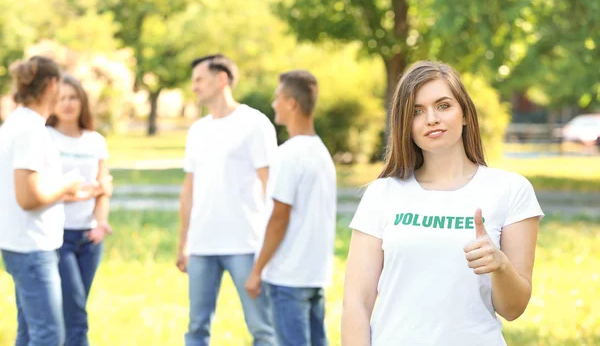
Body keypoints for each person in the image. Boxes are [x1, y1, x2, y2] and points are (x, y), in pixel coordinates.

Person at [341, 61, 544, 346]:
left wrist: (501, 266)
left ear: (464, 114)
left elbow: (513, 309)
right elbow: (356, 304)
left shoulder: (510, 190)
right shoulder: (382, 194)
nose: (432, 119)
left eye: (443, 105)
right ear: (405, 124)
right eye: (417, 111)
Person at [176, 54, 277, 346]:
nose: (193, 87)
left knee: (262, 329)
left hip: (245, 244)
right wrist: (183, 242)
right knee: (196, 328)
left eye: (199, 80)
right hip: (202, 245)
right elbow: (188, 190)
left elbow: (270, 186)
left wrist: (270, 244)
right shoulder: (198, 130)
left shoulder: (254, 123)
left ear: (221, 79)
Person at [245, 70, 337, 346]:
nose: (274, 104)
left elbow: (278, 218)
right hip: (314, 276)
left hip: (288, 277)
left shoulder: (288, 155)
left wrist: (256, 271)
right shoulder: (322, 153)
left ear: (291, 103)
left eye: (277, 98)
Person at [0, 56, 85, 346]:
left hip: (20, 244)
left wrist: (71, 192)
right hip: (32, 248)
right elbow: (27, 197)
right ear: (51, 85)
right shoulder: (30, 130)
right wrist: (66, 185)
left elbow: (26, 187)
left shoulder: (17, 123)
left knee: (28, 332)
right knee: (48, 335)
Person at [46, 74, 113, 346]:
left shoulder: (95, 140)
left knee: (75, 308)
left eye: (73, 97)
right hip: (56, 236)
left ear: (82, 102)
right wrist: (82, 192)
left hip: (89, 239)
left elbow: (104, 187)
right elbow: (43, 189)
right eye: (61, 98)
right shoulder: (45, 137)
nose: (67, 103)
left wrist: (100, 223)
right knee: (75, 314)